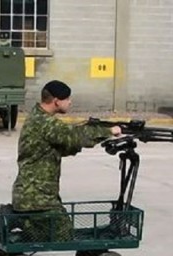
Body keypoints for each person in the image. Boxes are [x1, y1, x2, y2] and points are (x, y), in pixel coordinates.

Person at [11, 80, 121, 241]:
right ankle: (18, 220)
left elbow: (62, 144)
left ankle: (22, 219)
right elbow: (75, 136)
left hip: (34, 194)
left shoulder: (38, 117)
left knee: (63, 232)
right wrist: (109, 131)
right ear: (56, 101)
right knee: (64, 236)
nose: (70, 102)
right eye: (67, 99)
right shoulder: (46, 123)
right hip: (37, 199)